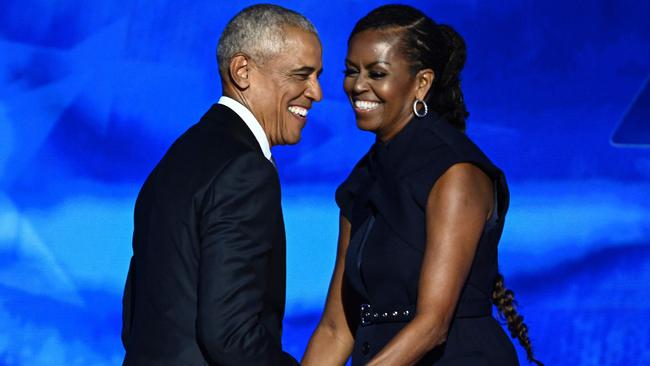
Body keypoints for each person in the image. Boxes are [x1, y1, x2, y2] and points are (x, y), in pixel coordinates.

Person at [303, 4, 542, 366]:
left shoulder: (455, 171)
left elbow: (433, 324)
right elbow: (336, 328)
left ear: (421, 83)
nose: (358, 86)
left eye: (377, 72)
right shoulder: (362, 180)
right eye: (351, 72)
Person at [121, 4, 322, 365]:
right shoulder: (245, 171)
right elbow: (229, 335)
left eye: (317, 76)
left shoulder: (176, 159)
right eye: (301, 75)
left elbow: (134, 320)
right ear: (243, 70)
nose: (316, 92)